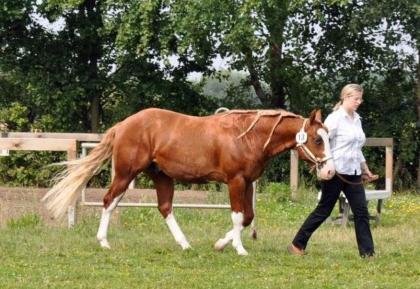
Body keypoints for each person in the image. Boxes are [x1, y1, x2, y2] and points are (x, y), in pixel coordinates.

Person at [288, 83, 377, 258]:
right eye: (355, 98)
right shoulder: (335, 119)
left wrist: (365, 169)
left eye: (360, 99)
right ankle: (297, 244)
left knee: (361, 212)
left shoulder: (357, 119)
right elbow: (321, 143)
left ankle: (367, 253)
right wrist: (320, 165)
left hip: (353, 173)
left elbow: (357, 148)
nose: (359, 102)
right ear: (345, 97)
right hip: (334, 173)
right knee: (324, 210)